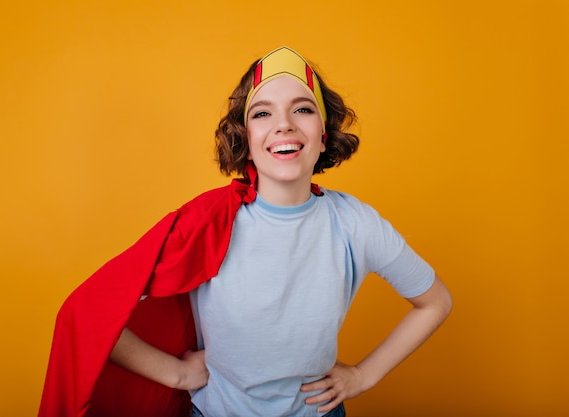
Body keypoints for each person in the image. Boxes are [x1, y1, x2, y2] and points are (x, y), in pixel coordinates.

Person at [39, 46, 452, 417]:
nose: (284, 124)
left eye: (303, 109)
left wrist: (363, 376)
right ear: (246, 138)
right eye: (262, 113)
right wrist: (178, 374)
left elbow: (435, 302)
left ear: (324, 136)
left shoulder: (355, 225)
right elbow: (88, 314)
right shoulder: (208, 223)